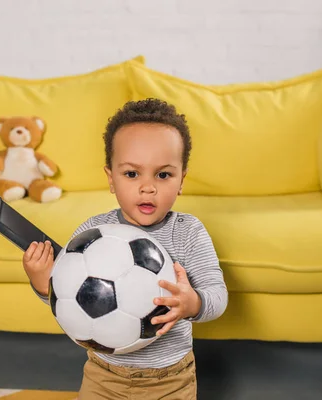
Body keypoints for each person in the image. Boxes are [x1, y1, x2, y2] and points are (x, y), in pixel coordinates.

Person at [22, 98, 228, 399]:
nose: (148, 187)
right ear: (111, 179)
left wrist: (192, 303)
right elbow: (69, 300)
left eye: (163, 174)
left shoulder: (188, 232)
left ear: (182, 179)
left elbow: (218, 296)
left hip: (170, 380)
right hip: (104, 375)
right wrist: (42, 282)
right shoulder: (91, 234)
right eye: (132, 174)